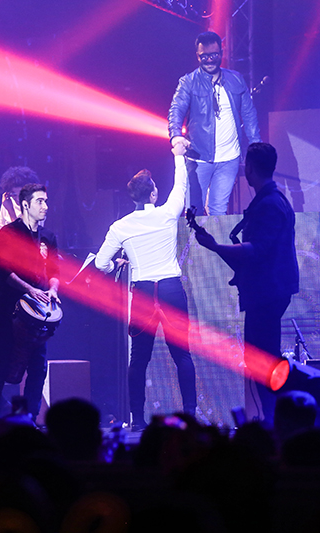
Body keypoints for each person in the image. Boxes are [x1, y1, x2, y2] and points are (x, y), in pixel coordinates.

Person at [194, 142, 298, 426]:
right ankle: (274, 419)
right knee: (263, 358)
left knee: (263, 361)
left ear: (249, 168)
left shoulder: (268, 205)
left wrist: (216, 247)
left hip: (267, 292)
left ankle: (276, 421)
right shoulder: (272, 201)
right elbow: (255, 256)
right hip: (268, 290)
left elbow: (257, 251)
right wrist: (217, 248)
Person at [95, 144, 197, 430]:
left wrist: (116, 265)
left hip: (142, 293)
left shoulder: (121, 226)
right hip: (170, 289)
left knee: (139, 359)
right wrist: (178, 155)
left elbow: (101, 263)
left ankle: (138, 420)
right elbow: (181, 184)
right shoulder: (168, 213)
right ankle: (190, 415)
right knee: (182, 355)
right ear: (153, 194)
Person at [0, 183, 60, 419]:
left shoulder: (48, 236)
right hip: (9, 313)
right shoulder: (9, 233)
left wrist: (53, 289)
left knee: (37, 368)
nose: (45, 206)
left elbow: (55, 271)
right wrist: (29, 289)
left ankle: (27, 418)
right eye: (40, 201)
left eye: (46, 201)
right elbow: (5, 271)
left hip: (37, 315)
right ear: (25, 204)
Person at [168, 31, 261, 216]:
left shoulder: (236, 79)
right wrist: (176, 135)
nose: (209, 60)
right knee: (194, 211)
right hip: (199, 158)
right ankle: (196, 236)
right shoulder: (188, 82)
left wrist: (256, 145)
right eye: (204, 56)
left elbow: (249, 114)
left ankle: (217, 237)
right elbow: (176, 109)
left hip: (229, 158)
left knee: (219, 210)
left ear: (221, 53)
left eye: (214, 55)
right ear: (198, 56)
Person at [0, 166, 41, 235]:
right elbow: (0, 226)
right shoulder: (8, 202)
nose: (18, 199)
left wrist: (11, 211)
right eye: (14, 194)